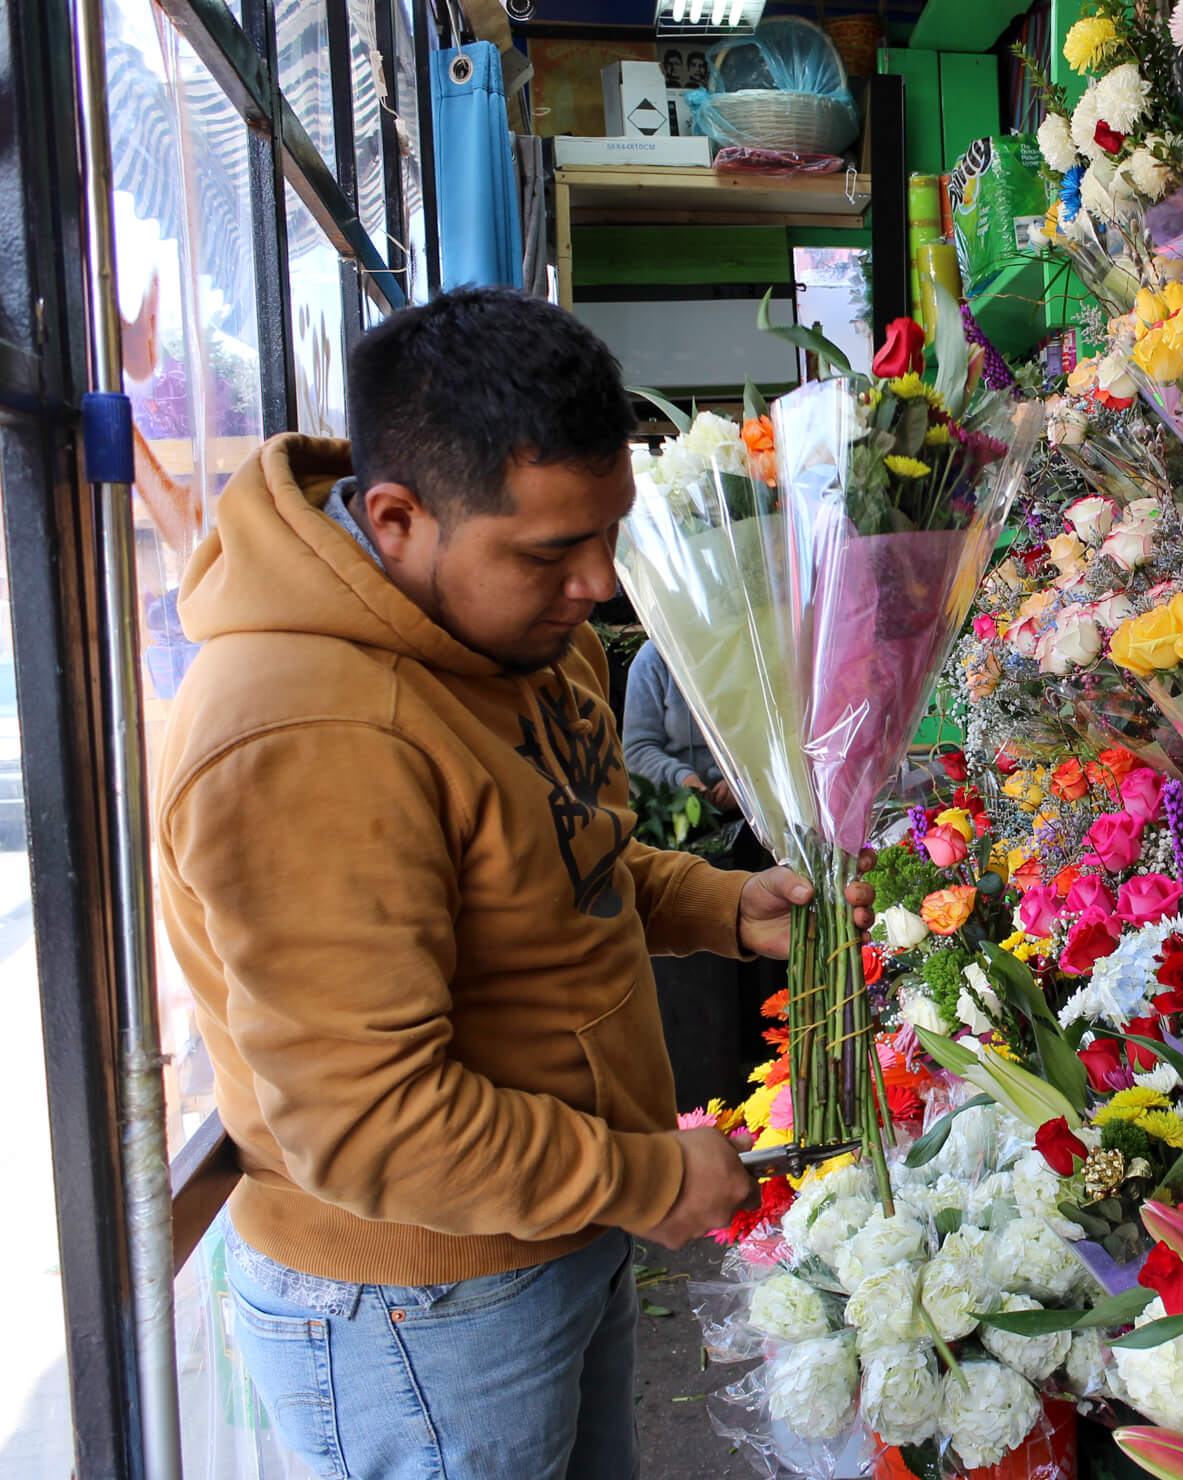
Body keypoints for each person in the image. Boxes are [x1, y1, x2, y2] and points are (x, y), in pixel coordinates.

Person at [153, 287, 872, 1479]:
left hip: (545, 1229)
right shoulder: (308, 734)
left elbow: (553, 849)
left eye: (610, 532)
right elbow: (367, 1119)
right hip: (421, 1310)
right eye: (552, 551)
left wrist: (712, 902)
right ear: (395, 517)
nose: (600, 581)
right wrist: (642, 1174)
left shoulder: (516, 631)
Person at [622, 637, 736, 813]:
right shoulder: (652, 658)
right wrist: (682, 781)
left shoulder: (749, 651)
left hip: (753, 812)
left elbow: (777, 742)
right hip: (671, 810)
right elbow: (637, 750)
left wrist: (741, 781)